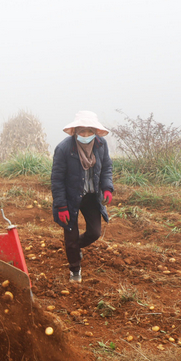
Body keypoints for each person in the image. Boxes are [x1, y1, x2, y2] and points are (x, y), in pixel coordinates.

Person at [51, 111, 114, 283]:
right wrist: (61, 206)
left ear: (95, 131)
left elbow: (107, 166)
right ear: (76, 131)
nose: (85, 135)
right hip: (70, 198)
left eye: (89, 131)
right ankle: (75, 270)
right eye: (82, 131)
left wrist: (107, 187)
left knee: (94, 232)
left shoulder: (101, 145)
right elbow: (57, 180)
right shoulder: (64, 149)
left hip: (91, 196)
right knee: (70, 234)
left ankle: (73, 248)